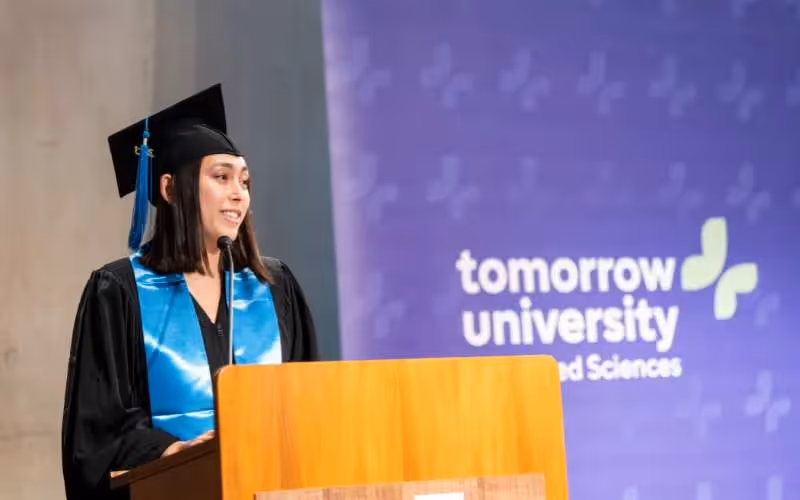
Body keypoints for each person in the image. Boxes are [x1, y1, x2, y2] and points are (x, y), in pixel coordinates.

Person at [60, 84, 319, 500]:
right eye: (221, 177)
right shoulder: (120, 293)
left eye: (245, 181)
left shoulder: (274, 287)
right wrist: (172, 451)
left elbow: (309, 407)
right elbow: (96, 436)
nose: (239, 194)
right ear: (168, 189)